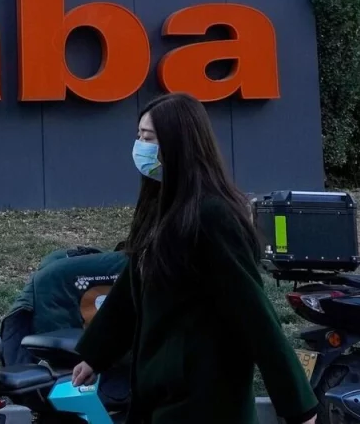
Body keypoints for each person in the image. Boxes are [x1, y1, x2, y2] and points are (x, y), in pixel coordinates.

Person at [71, 93, 318, 424]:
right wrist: (95, 356)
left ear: (178, 145)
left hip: (204, 400)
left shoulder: (212, 216)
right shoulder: (161, 207)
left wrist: (299, 407)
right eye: (139, 136)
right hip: (159, 394)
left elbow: (254, 313)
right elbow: (132, 289)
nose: (140, 147)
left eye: (149, 138)